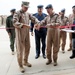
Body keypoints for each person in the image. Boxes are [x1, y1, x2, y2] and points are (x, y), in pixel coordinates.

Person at [13, 1, 39, 73]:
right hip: (20, 33)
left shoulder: (28, 14)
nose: (26, 9)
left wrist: (37, 22)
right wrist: (23, 25)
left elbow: (33, 18)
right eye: (25, 7)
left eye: (27, 7)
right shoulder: (17, 13)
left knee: (28, 47)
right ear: (22, 6)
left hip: (26, 33)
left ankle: (25, 61)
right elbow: (14, 22)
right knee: (20, 50)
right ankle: (20, 65)